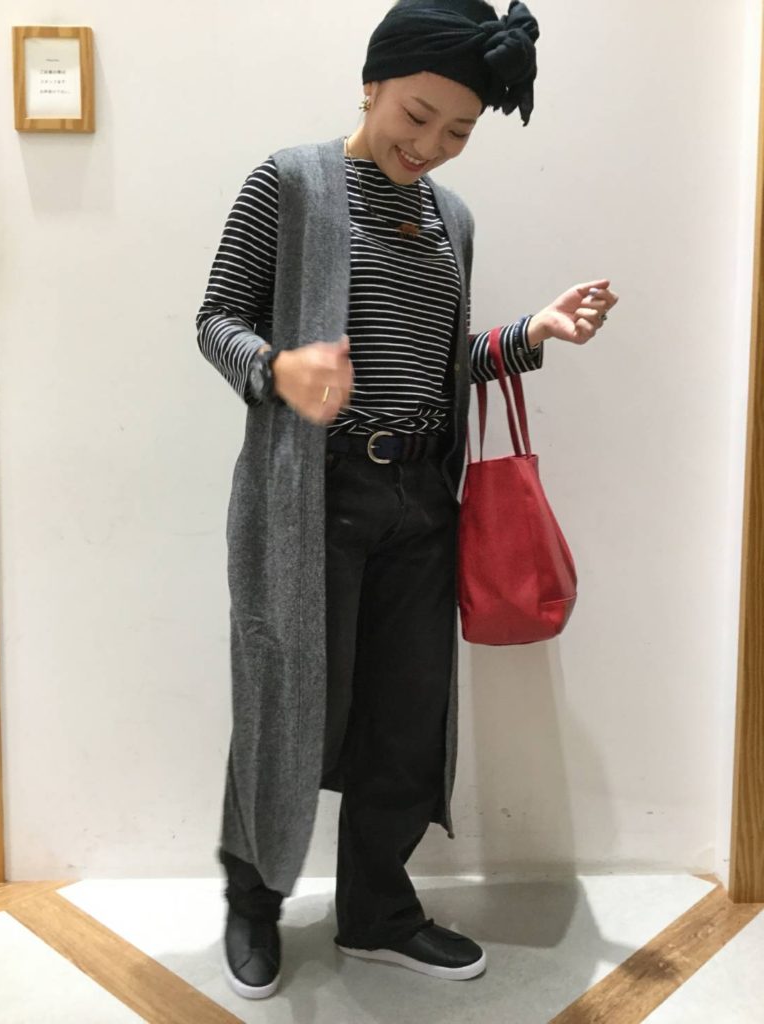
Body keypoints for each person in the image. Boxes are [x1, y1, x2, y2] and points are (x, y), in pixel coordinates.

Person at [195, 0, 618, 1001]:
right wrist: (279, 369)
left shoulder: (449, 219)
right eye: (417, 115)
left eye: (458, 131)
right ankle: (253, 903)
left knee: (405, 717)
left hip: (424, 498)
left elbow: (437, 361)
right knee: (288, 707)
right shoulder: (290, 182)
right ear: (372, 84)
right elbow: (217, 318)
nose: (429, 145)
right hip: (315, 498)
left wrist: (530, 334)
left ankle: (378, 911)